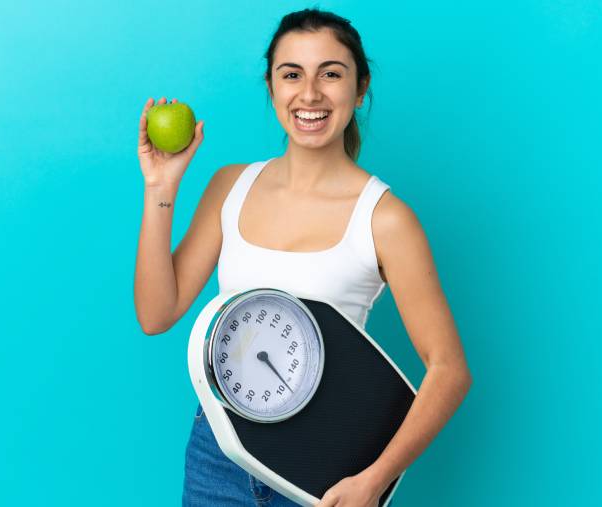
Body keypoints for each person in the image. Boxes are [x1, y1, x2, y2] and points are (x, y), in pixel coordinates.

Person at [134, 7, 473, 507]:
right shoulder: (229, 186)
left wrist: (374, 480)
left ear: (360, 90)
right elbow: (156, 314)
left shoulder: (384, 219)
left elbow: (449, 369)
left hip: (326, 471)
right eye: (291, 74)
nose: (309, 94)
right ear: (271, 87)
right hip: (217, 454)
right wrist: (160, 188)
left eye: (331, 74)